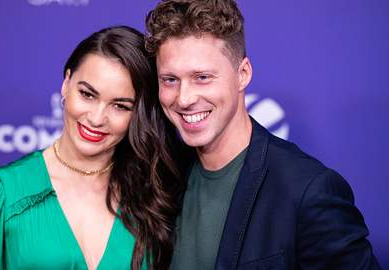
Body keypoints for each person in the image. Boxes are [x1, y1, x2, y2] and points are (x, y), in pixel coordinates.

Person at [145, 1, 381, 269]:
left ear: (243, 74)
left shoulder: (308, 191)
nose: (184, 98)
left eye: (202, 77)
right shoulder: (163, 176)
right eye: (170, 80)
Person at [0, 26, 184, 270]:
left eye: (120, 106)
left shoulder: (156, 193)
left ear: (138, 114)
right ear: (66, 83)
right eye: (87, 94)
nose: (97, 118)